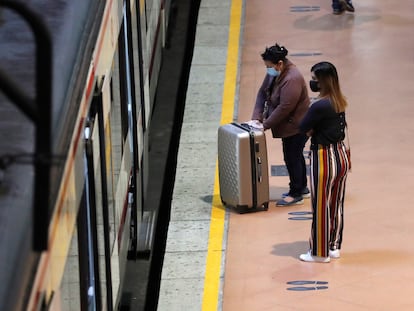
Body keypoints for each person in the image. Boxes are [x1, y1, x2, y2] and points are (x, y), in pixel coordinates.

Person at [298, 61, 350, 263]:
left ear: (323, 81)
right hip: (341, 157)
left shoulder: (319, 105)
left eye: (314, 79)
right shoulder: (339, 101)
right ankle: (334, 246)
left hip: (323, 159)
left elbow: (303, 127)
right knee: (336, 204)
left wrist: (313, 129)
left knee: (320, 206)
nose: (312, 83)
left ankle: (319, 253)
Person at [249, 43, 310, 207]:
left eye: (269, 66)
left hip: (297, 127)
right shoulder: (275, 73)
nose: (268, 70)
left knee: (292, 157)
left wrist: (265, 125)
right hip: (288, 126)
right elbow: (262, 92)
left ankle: (296, 192)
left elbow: (285, 108)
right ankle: (302, 187)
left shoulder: (292, 79)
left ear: (279, 64)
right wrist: (256, 117)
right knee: (295, 156)